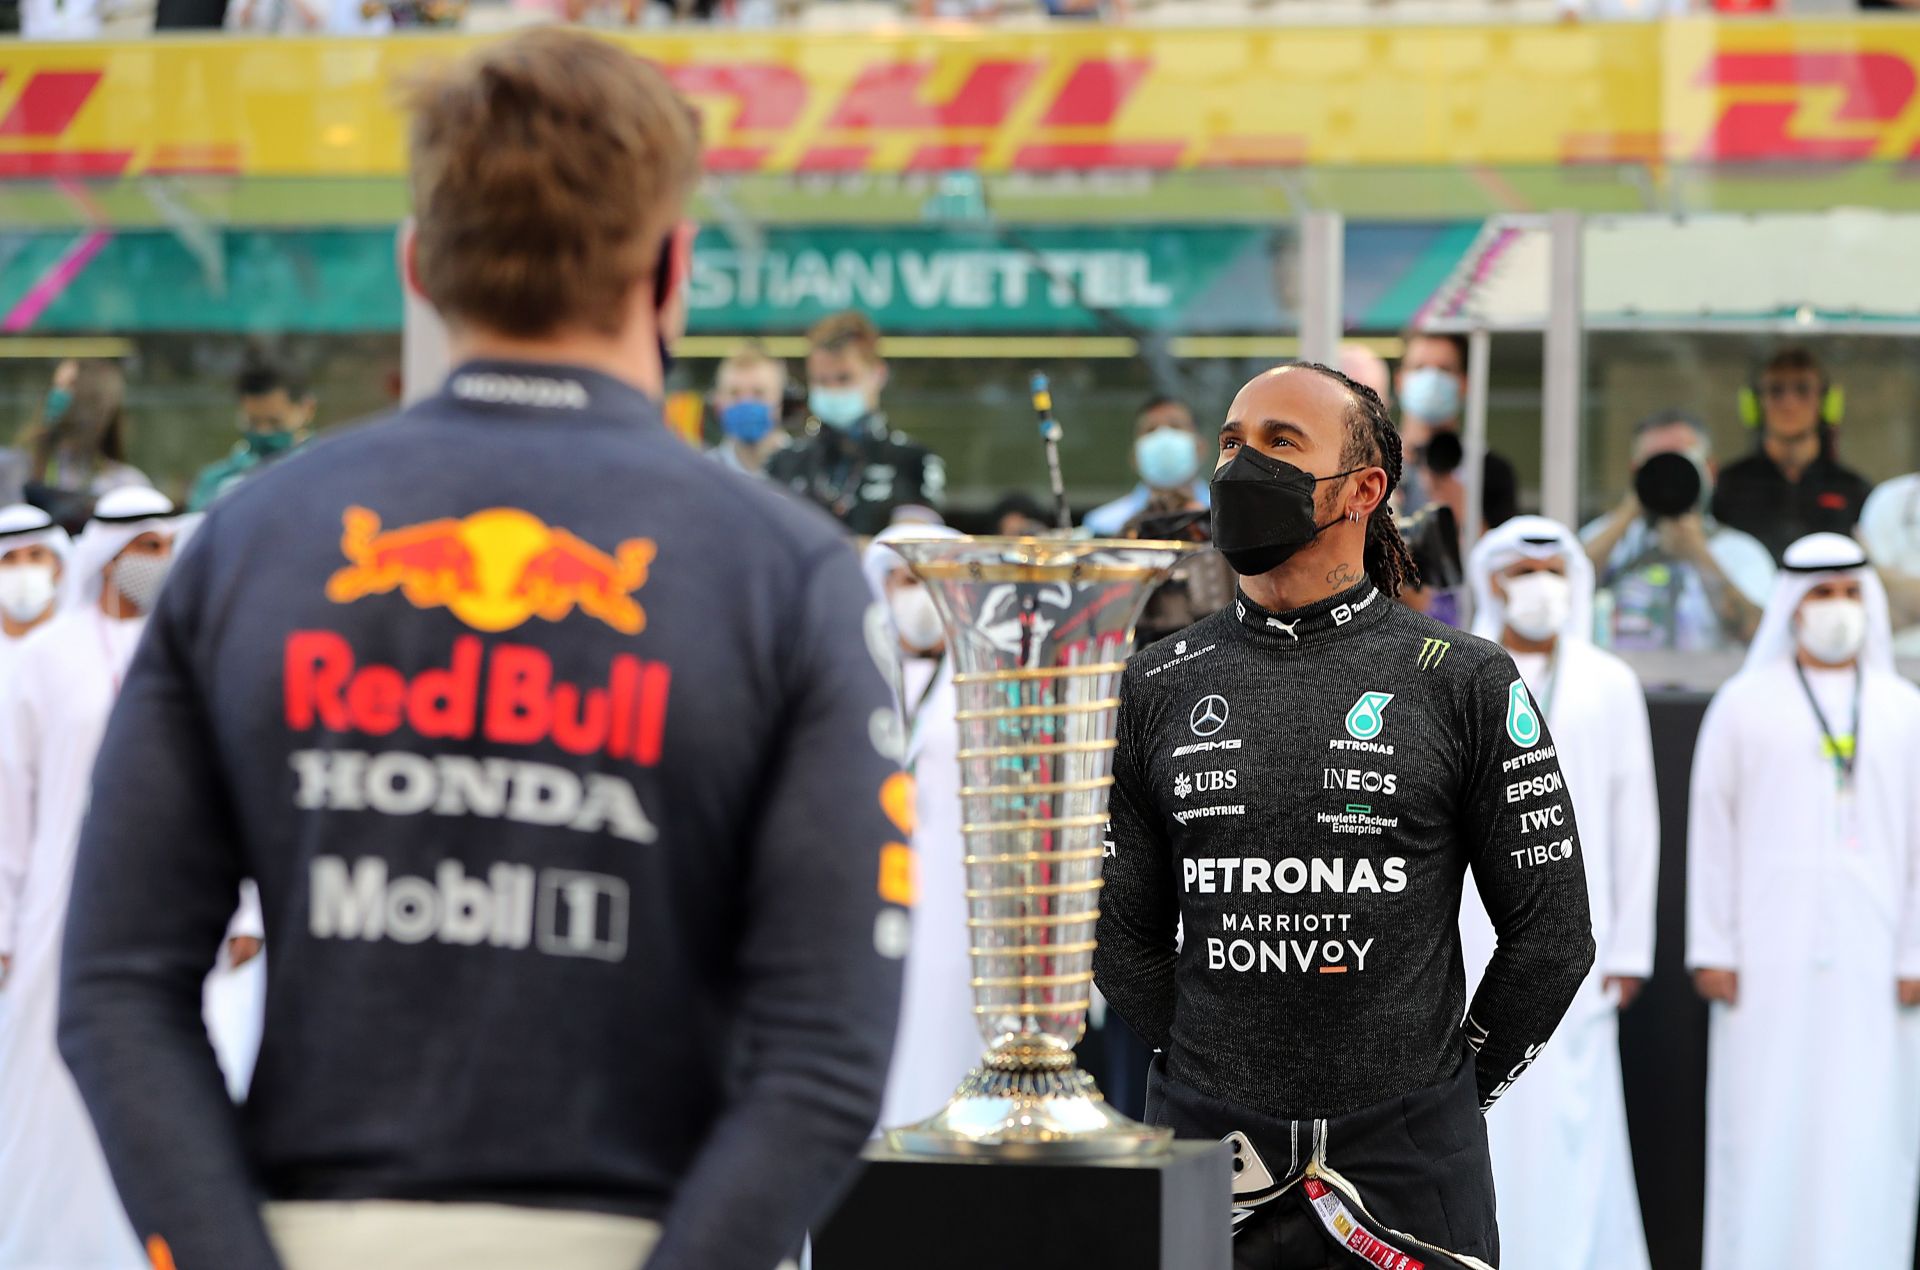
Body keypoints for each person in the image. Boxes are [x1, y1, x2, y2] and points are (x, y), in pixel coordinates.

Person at [57, 31, 905, 1270]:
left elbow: (116, 987)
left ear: (418, 265)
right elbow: (827, 1053)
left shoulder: (255, 541)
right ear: (673, 271)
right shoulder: (785, 572)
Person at [1095, 363, 1594, 1270]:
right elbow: (1117, 935)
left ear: (1365, 489)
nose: (1240, 468)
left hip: (1409, 1175)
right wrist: (1215, 1064)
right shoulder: (1158, 682)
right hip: (1210, 1155)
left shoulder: (1462, 679)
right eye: (1232, 444)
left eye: (1281, 444)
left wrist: (1443, 1090)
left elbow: (1553, 937)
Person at [1686, 532, 1920, 1270]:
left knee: (1867, 1130)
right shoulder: (1743, 706)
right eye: (1820, 594)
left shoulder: (1904, 710)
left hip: (1879, 966)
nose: (1837, 610)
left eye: (1850, 593)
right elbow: (1712, 831)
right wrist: (1713, 947)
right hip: (1764, 963)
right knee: (1765, 1128)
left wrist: (1917, 951)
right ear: (1791, 606)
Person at [1460, 516, 1657, 1270]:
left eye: (1551, 571)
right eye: (1520, 571)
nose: (1537, 588)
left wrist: (1629, 950)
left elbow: (1635, 821)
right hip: (1472, 938)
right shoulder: (1456, 672)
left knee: (1575, 1117)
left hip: (1580, 946)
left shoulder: (1612, 683)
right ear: (1491, 579)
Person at [0, 487, 185, 1270]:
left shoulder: (187, 649)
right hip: (57, 908)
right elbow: (11, 802)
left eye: (163, 550)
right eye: (141, 549)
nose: (155, 565)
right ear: (107, 556)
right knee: (51, 1084)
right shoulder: (44, 656)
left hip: (176, 907)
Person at [861, 524, 978, 1133]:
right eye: (906, 582)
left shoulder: (983, 689)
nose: (918, 597)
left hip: (956, 924)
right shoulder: (853, 681)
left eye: (931, 582)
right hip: (865, 908)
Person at [1581, 410, 1773, 652]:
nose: (1668, 476)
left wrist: (1698, 553)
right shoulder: (1606, 535)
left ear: (1710, 471)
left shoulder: (1739, 551)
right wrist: (1626, 515)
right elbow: (1564, 592)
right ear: (1635, 470)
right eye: (1656, 464)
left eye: (1680, 462)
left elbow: (1760, 634)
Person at [766, 310, 945, 534]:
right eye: (821, 380)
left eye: (844, 378)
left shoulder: (913, 462)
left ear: (877, 374)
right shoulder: (784, 462)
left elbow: (908, 549)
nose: (831, 390)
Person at [1710, 348, 1871, 564]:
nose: (1789, 403)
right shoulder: (1727, 486)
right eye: (1775, 390)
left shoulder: (1854, 489)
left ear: (1826, 403)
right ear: (1755, 404)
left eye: (1802, 389)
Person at [1394, 331, 1517, 531]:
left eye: (1444, 369)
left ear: (1463, 383)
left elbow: (1502, 557)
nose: (1432, 379)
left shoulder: (1491, 471)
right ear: (1399, 381)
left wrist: (1464, 511)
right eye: (1419, 367)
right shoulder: (1376, 462)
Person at [19, 359, 152, 532]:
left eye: (70, 385)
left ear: (98, 397)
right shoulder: (18, 471)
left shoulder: (126, 484)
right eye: (55, 385)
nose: (57, 394)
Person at [188, 360, 318, 511]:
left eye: (275, 422)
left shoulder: (326, 473)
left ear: (307, 409)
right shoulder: (216, 482)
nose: (263, 433)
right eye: (253, 422)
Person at [1083, 396, 1212, 538]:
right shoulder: (1102, 526)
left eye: (1176, 426)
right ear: (1134, 457)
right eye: (1150, 429)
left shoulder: (1228, 517)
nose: (1164, 436)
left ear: (1201, 447)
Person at [705, 342, 790, 479]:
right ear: (718, 403)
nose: (746, 403)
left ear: (781, 401)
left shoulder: (806, 471)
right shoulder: (703, 475)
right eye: (734, 393)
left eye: (758, 393)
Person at [0, 504, 68, 665]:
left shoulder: (81, 645)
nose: (23, 566)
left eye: (36, 555)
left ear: (58, 568)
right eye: (9, 557)